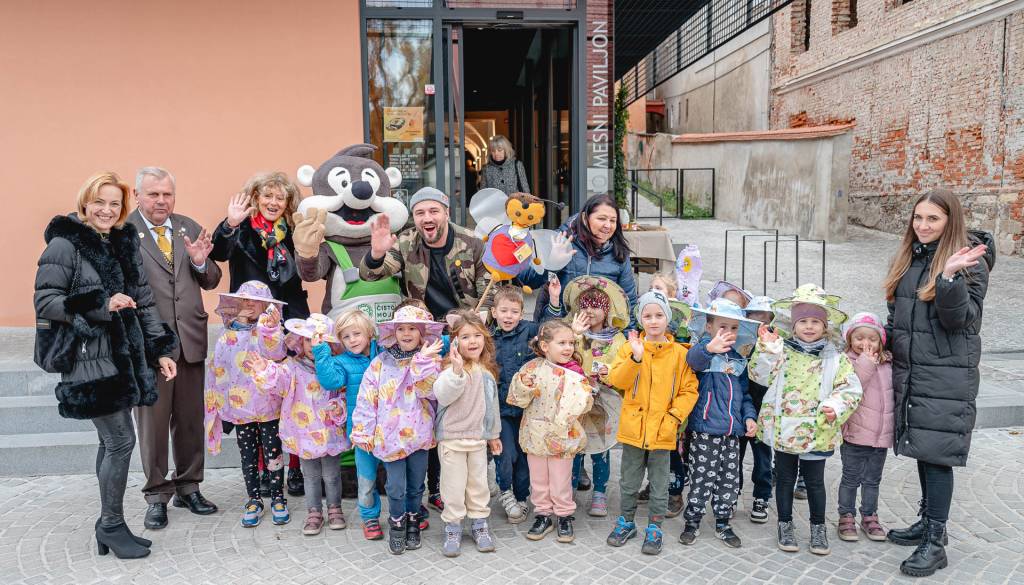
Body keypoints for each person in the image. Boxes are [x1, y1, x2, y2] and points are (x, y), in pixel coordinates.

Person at [35, 171, 178, 559]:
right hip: (88, 358)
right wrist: (101, 304)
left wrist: (162, 349)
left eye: (115, 203)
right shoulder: (65, 245)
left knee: (111, 441)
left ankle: (108, 525)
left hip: (122, 357)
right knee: (121, 440)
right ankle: (111, 526)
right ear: (85, 202)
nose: (107, 210)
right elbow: (46, 302)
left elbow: (144, 300)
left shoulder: (122, 242)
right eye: (100, 202)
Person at [881, 189, 993, 578]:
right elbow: (897, 316)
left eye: (933, 219)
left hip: (946, 375)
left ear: (950, 221)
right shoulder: (910, 257)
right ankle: (929, 522)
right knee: (922, 448)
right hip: (912, 370)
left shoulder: (970, 265)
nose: (923, 225)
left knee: (937, 456)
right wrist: (880, 344)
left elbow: (958, 320)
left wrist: (948, 276)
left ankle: (935, 542)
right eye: (918, 217)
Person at [127, 166, 222, 530]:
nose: (161, 201)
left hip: (190, 339)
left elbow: (211, 278)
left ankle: (189, 486)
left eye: (167, 194)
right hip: (151, 345)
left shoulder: (187, 226)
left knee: (190, 420)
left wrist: (199, 261)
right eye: (153, 194)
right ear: (137, 195)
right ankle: (156, 495)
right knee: (152, 424)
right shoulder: (125, 234)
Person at [210, 171, 310, 496]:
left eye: (280, 197)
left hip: (289, 320)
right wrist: (229, 223)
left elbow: (304, 272)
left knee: (289, 397)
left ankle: (294, 467)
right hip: (249, 324)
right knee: (257, 397)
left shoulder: (292, 232)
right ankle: (265, 470)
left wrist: (299, 328)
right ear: (255, 198)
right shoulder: (240, 229)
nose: (273, 202)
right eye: (267, 196)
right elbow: (218, 253)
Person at [749, 284, 863, 556]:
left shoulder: (835, 358)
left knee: (814, 482)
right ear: (793, 324)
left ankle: (818, 526)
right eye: (803, 321)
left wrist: (835, 406)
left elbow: (850, 388)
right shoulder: (781, 351)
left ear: (825, 326)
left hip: (817, 428)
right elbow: (759, 375)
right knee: (785, 478)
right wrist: (766, 350)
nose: (809, 326)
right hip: (785, 426)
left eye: (815, 321)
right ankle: (785, 524)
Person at [605, 291, 699, 556]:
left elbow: (689, 390)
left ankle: (655, 527)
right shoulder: (630, 348)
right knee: (629, 481)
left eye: (659, 315)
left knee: (659, 483)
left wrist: (674, 418)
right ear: (641, 319)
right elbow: (617, 380)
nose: (654, 321)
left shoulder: (679, 354)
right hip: (634, 429)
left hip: (663, 431)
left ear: (667, 318)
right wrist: (635, 358)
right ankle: (626, 521)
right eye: (647, 316)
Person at [350, 306, 444, 555]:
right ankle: (397, 524)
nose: (406, 333)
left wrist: (423, 362)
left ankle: (413, 522)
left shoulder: (432, 361)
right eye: (401, 328)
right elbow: (367, 398)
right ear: (393, 332)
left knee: (416, 484)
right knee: (395, 486)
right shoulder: (380, 363)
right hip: (390, 437)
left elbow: (430, 391)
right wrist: (363, 431)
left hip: (419, 434)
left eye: (412, 328)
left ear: (422, 333)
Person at [203, 282, 289, 528]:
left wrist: (270, 329)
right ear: (237, 303)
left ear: (267, 305)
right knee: (248, 456)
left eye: (256, 300)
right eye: (245, 299)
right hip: (241, 409)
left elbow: (277, 353)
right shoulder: (227, 336)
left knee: (273, 454)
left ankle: (278, 498)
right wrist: (218, 403)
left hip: (268, 406)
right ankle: (253, 499)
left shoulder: (269, 332)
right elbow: (219, 370)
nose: (250, 304)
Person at [677, 299, 759, 549]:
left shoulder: (738, 359)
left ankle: (723, 521)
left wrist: (749, 416)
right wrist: (708, 348)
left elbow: (745, 394)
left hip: (732, 433)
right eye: (723, 326)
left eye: (734, 328)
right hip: (705, 430)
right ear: (709, 326)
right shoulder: (702, 351)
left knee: (728, 480)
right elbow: (692, 361)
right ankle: (692, 520)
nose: (729, 332)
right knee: (701, 478)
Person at [507, 321, 594, 544]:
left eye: (571, 343)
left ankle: (564, 515)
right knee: (538, 479)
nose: (568, 348)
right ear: (545, 346)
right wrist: (523, 384)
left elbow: (585, 405)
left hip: (563, 435)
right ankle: (543, 514)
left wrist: (584, 394)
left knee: (560, 479)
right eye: (562, 343)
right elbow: (517, 399)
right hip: (535, 434)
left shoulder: (575, 371)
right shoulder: (531, 368)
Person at [272, 314, 352, 536]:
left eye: (319, 340)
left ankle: (335, 509)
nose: (312, 345)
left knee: (332, 474)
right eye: (308, 339)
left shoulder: (335, 366)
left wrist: (339, 407)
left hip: (329, 431)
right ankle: (314, 512)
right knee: (310, 475)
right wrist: (265, 370)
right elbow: (278, 383)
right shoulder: (292, 367)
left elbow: (343, 393)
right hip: (303, 432)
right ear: (300, 341)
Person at [433, 310, 503, 557]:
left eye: (477, 335)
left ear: (485, 339)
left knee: (478, 485)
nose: (472, 341)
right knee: (452, 487)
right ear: (455, 342)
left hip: (477, 439)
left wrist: (493, 435)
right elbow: (443, 395)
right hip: (452, 439)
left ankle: (479, 524)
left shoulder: (486, 373)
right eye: (465, 337)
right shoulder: (449, 371)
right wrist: (456, 370)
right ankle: (453, 526)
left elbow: (491, 407)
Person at [361, 187, 490, 319]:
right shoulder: (405, 242)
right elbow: (369, 275)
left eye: (434, 211)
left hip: (465, 324)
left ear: (447, 214)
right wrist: (376, 254)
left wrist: (476, 323)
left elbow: (489, 294)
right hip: (421, 325)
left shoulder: (473, 243)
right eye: (420, 213)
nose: (427, 218)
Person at [559, 275, 629, 518]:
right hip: (576, 401)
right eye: (585, 306)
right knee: (575, 446)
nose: (589, 311)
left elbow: (622, 366)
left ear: (607, 310)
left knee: (601, 448)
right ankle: (568, 491)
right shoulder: (573, 334)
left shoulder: (617, 339)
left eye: (596, 306)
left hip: (603, 401)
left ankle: (600, 492)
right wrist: (575, 335)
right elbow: (564, 357)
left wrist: (608, 375)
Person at [313, 309, 384, 540]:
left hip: (390, 429)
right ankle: (369, 517)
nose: (352, 340)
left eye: (357, 334)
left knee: (396, 478)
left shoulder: (384, 354)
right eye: (346, 336)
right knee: (366, 479)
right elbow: (330, 381)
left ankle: (403, 513)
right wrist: (321, 351)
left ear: (369, 333)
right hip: (362, 432)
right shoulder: (342, 362)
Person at [490, 285, 556, 524]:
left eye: (514, 311)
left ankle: (521, 496)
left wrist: (554, 300)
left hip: (529, 410)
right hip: (502, 409)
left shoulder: (529, 331)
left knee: (525, 457)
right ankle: (505, 491)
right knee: (506, 454)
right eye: (504, 311)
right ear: (494, 312)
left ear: (521, 313)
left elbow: (551, 329)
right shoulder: (487, 338)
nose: (509, 316)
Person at [536, 194, 637, 330]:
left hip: (600, 335)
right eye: (601, 218)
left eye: (613, 220)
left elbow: (629, 301)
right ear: (584, 218)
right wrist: (552, 263)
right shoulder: (561, 242)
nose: (608, 225)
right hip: (559, 330)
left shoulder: (619, 254)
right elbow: (529, 280)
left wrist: (628, 338)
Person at [836, 312, 894, 543]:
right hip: (855, 434)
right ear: (850, 339)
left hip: (880, 436)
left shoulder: (887, 363)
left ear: (881, 341)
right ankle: (846, 515)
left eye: (872, 339)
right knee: (850, 479)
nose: (865, 343)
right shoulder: (847, 362)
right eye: (859, 338)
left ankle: (869, 515)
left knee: (872, 480)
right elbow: (853, 387)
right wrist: (866, 362)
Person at [740, 296, 776, 524]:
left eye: (766, 319)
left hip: (764, 411)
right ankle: (732, 492)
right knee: (735, 456)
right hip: (741, 407)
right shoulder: (741, 343)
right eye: (756, 318)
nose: (762, 324)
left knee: (763, 459)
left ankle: (762, 496)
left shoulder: (776, 346)